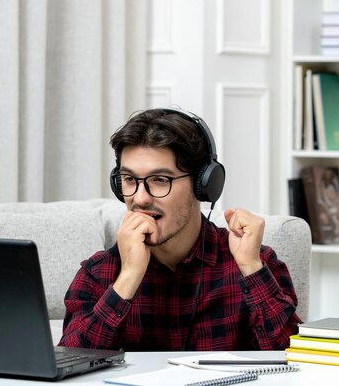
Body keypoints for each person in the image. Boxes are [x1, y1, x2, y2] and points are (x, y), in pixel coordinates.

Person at [58, 108, 301, 351]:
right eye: (130, 180)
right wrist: (128, 277)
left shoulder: (254, 264)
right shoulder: (99, 273)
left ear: (202, 185)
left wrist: (251, 268)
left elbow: (299, 364)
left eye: (160, 180)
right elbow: (71, 364)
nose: (140, 199)